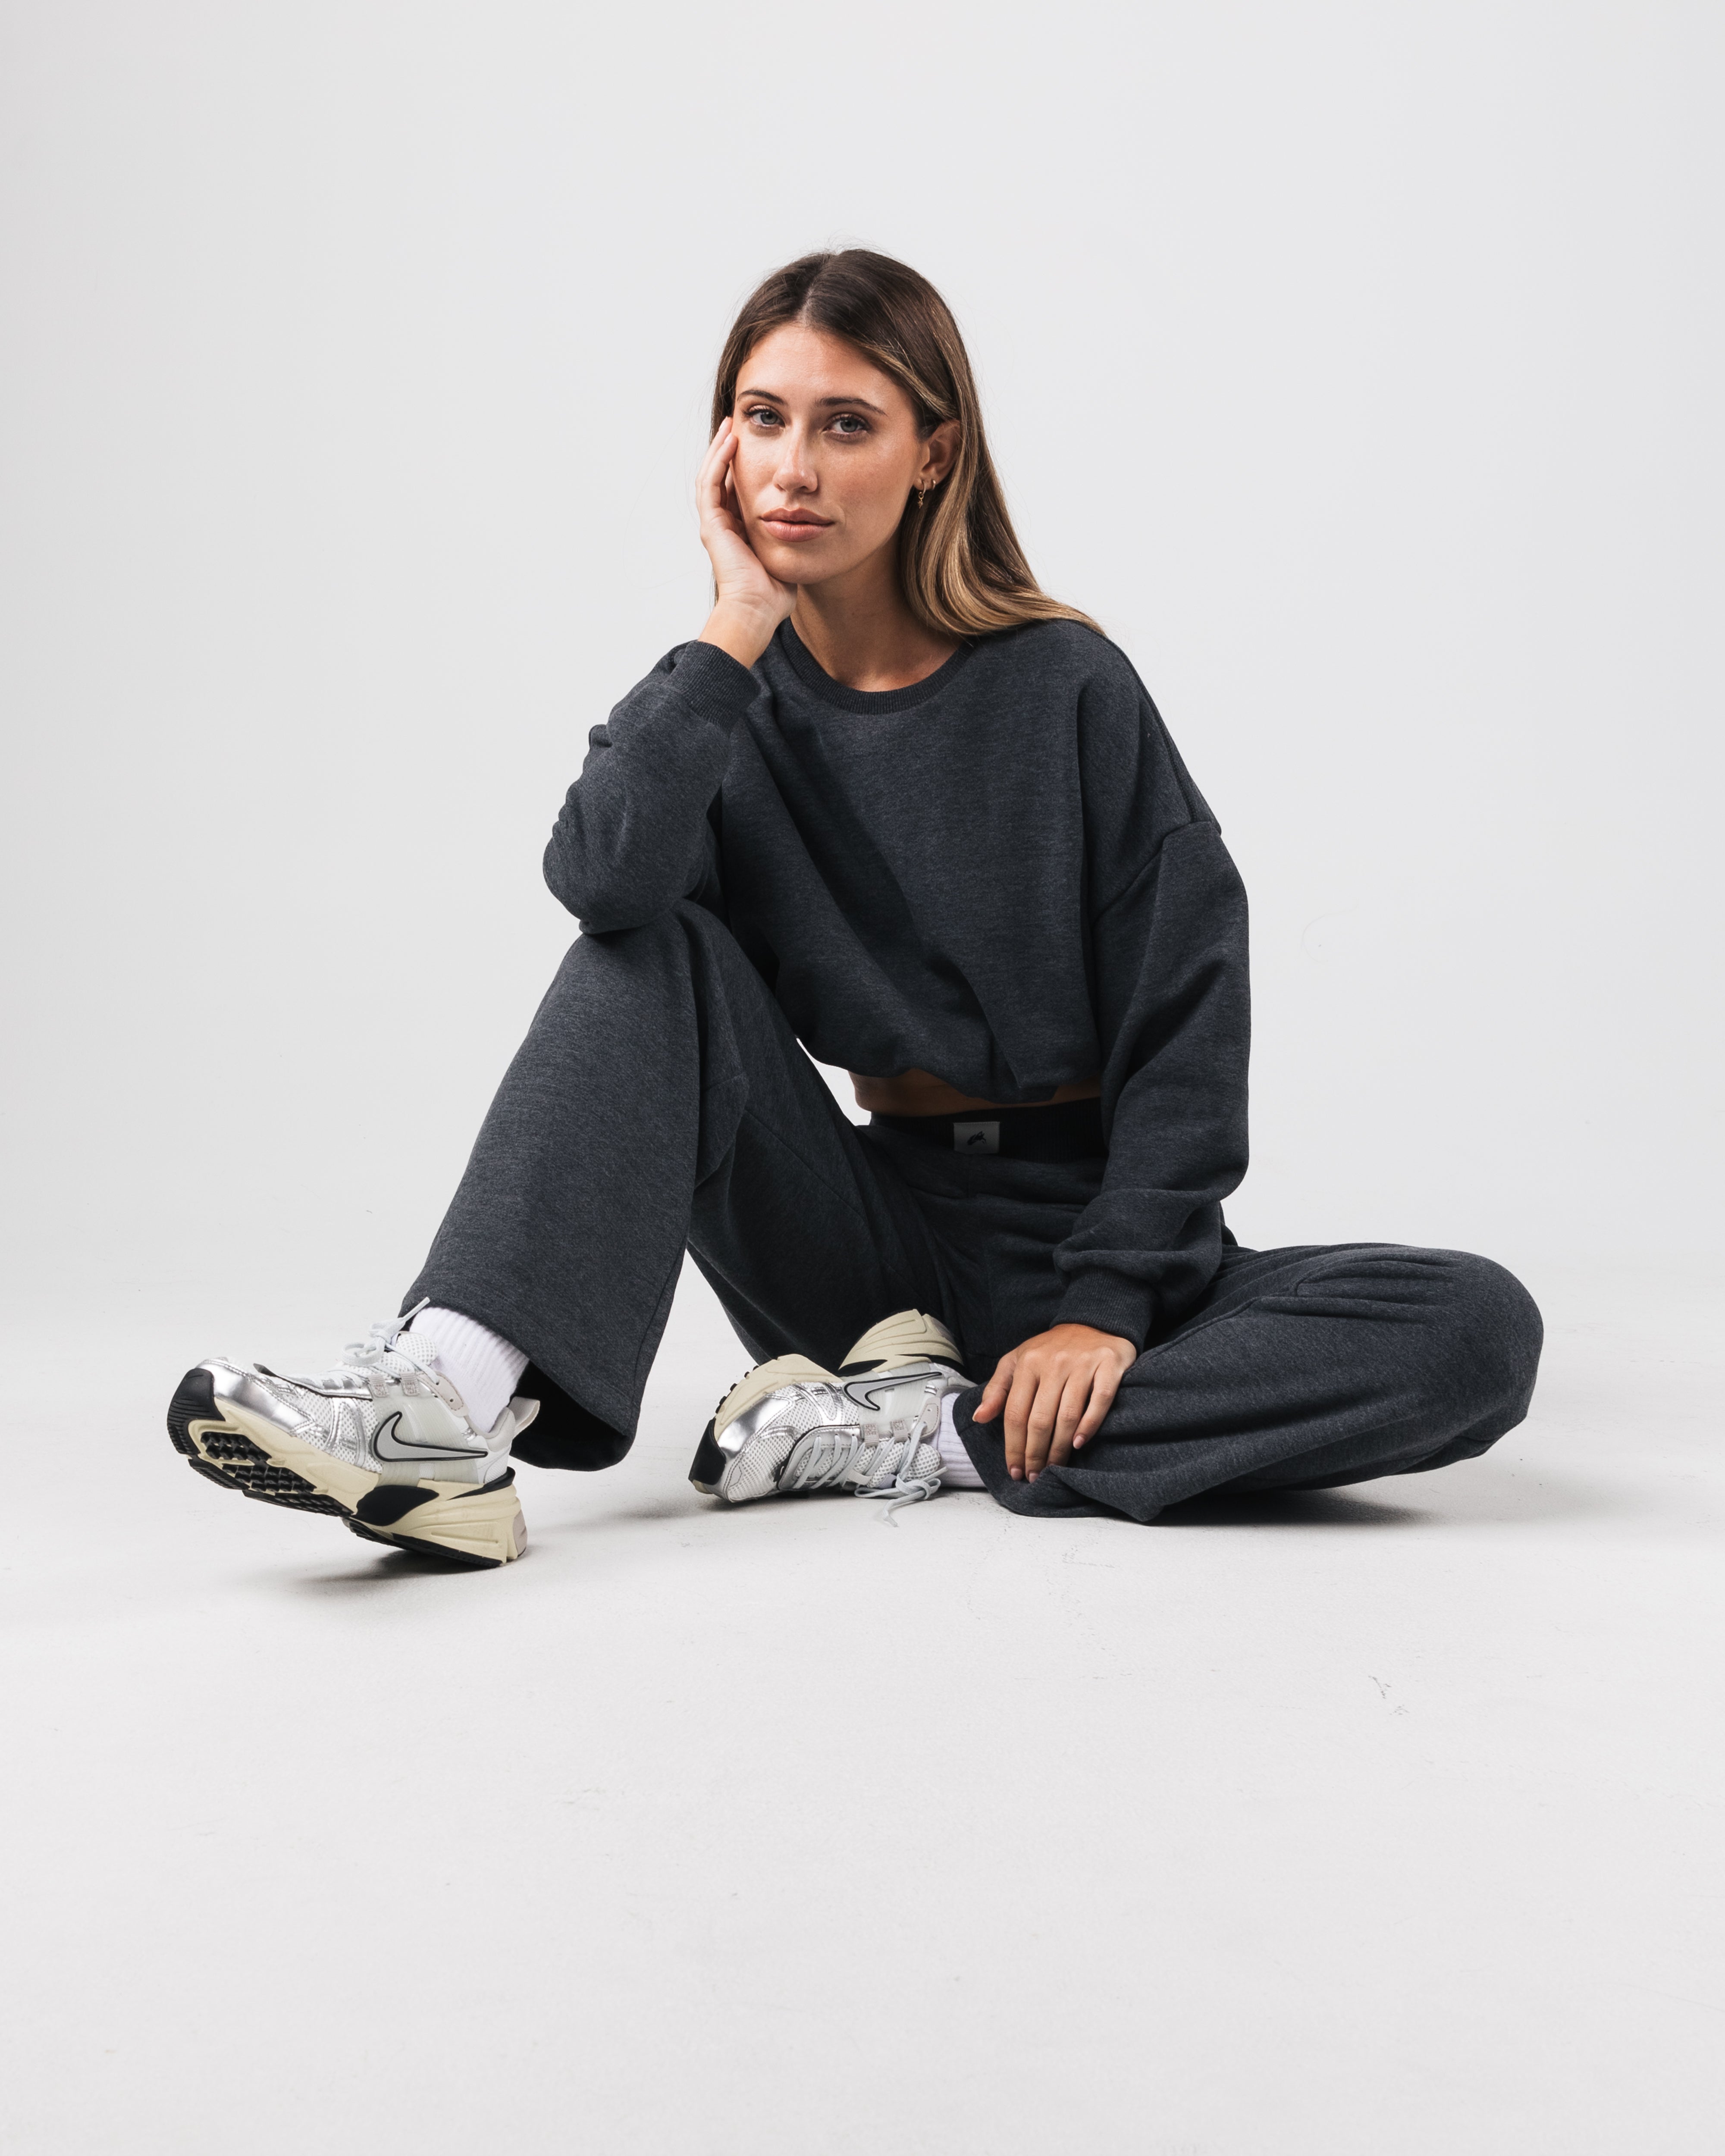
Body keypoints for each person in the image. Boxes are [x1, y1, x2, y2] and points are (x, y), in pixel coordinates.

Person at [166, 249, 1543, 1569]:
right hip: (870, 1272)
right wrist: (734, 624)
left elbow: (1190, 1007)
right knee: (651, 947)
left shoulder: (1066, 687)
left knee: (1474, 1331)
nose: (795, 468)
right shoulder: (724, 704)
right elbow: (603, 885)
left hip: (1100, 1242)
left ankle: (929, 1437)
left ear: (934, 452)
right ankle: (442, 1408)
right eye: (763, 418)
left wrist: (1107, 1306)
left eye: (846, 425)